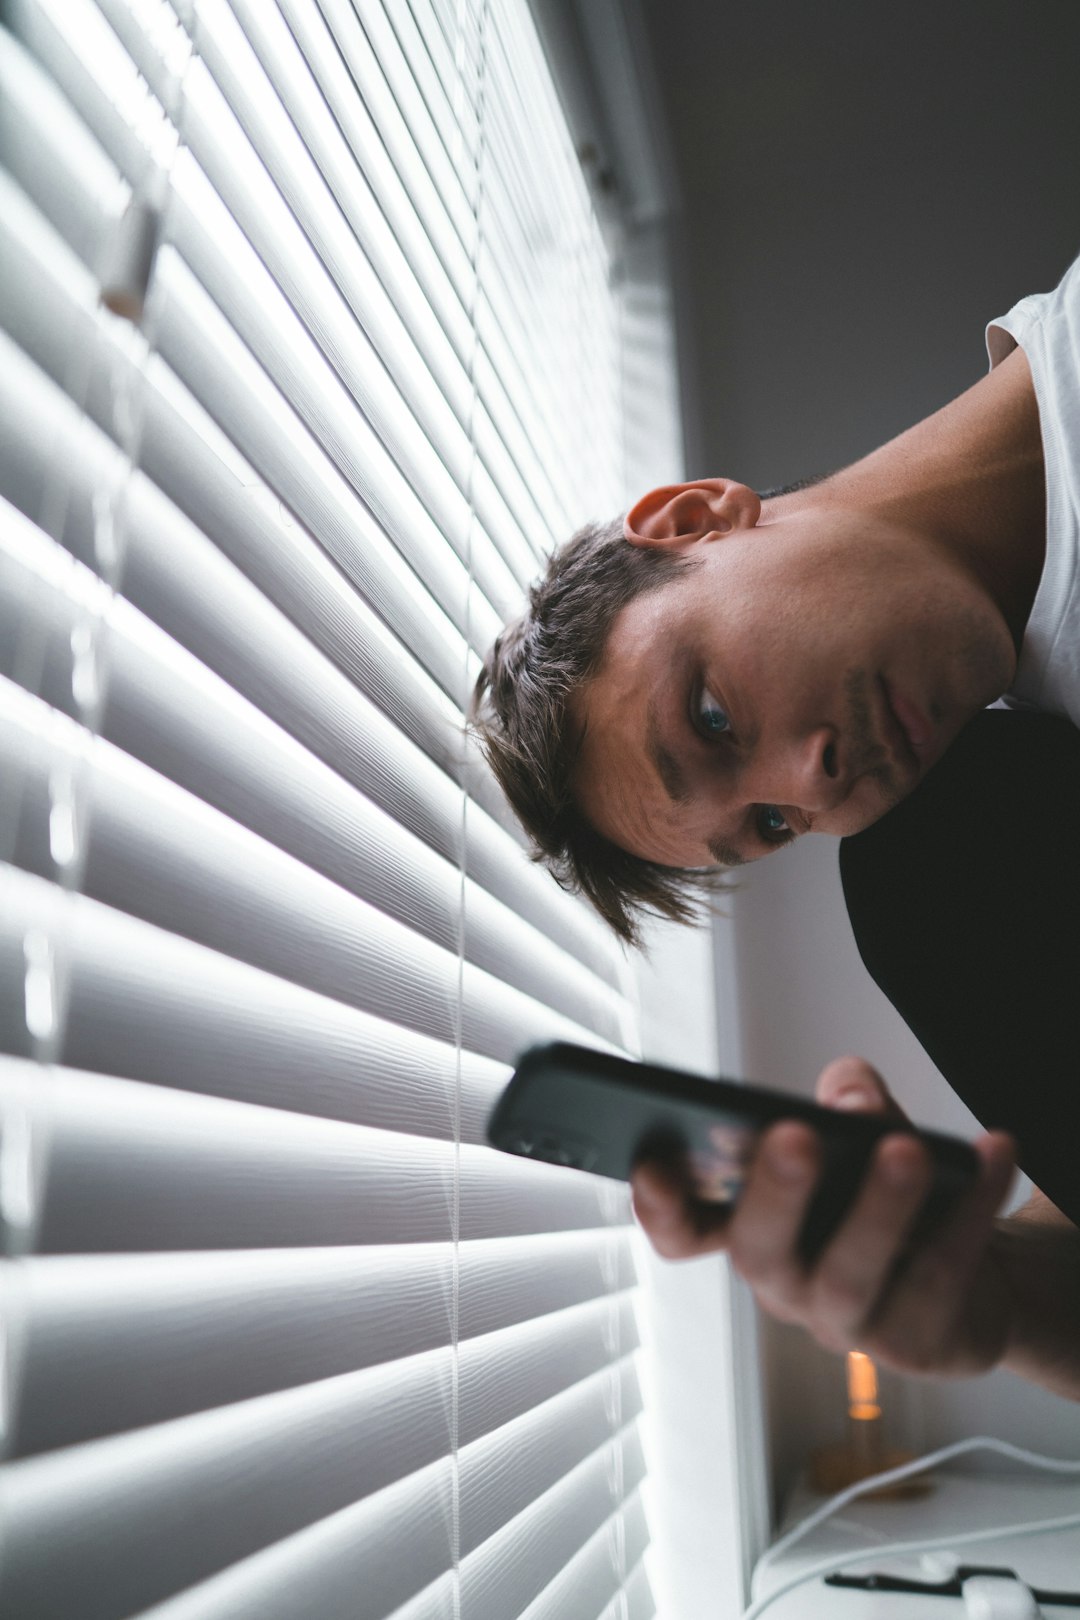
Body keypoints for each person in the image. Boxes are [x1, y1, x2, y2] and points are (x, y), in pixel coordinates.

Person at [473, 255, 1080, 1400]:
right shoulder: (995, 832)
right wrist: (997, 1299)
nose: (816, 779)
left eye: (711, 714)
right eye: (769, 823)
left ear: (694, 518)